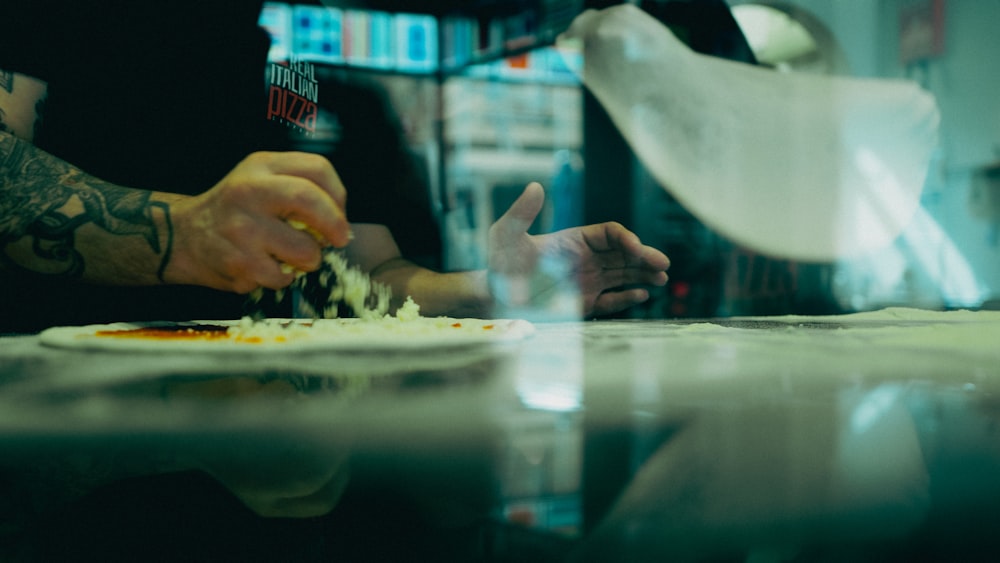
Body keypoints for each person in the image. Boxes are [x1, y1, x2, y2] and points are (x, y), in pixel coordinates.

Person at [0, 0, 669, 334]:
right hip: (57, 420)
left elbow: (364, 276)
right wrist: (183, 232)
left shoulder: (298, 82)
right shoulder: (58, 16)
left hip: (243, 433)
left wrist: (493, 294)